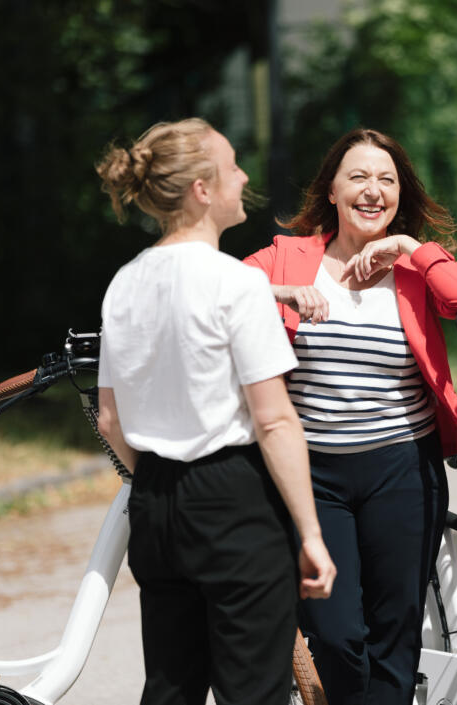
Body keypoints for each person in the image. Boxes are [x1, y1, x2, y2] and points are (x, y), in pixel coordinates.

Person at [93, 117, 336, 705]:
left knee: (171, 688)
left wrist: (157, 477)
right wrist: (310, 532)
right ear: (203, 189)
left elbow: (108, 420)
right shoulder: (235, 284)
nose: (244, 176)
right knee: (252, 690)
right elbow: (274, 419)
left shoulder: (123, 283)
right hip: (233, 503)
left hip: (154, 502)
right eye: (232, 166)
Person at [244, 127, 457, 705]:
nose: (373, 191)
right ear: (331, 189)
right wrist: (283, 291)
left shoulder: (415, 268)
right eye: (358, 177)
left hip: (403, 469)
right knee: (336, 634)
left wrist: (407, 249)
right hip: (314, 478)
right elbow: (214, 292)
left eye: (387, 180)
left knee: (394, 636)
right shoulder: (290, 255)